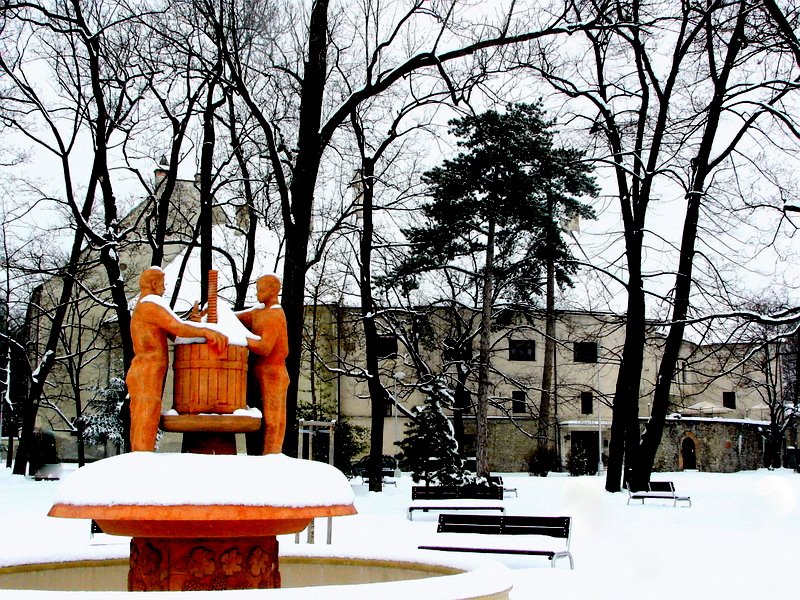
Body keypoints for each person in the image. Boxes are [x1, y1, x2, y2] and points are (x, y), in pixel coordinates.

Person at [127, 267, 229, 451]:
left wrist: (194, 323)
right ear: (154, 283)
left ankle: (141, 456)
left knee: (146, 416)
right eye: (163, 284)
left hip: (147, 369)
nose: (164, 289)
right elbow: (179, 328)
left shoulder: (146, 305)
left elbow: (176, 334)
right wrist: (205, 331)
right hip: (147, 369)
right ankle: (140, 460)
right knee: (145, 416)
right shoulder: (151, 304)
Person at [236, 275, 289, 455]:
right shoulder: (258, 312)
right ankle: (262, 455)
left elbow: (265, 347)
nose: (257, 293)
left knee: (273, 419)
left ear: (273, 291)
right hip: (258, 371)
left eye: (261, 290)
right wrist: (210, 313)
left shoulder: (275, 314)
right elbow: (235, 318)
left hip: (274, 372)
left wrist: (240, 338)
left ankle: (272, 455)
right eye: (257, 289)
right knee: (259, 419)